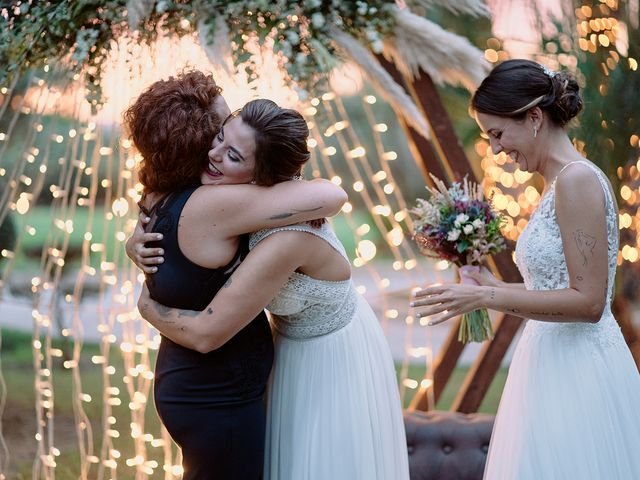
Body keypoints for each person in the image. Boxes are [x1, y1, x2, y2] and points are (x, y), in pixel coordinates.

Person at [132, 102, 410, 480]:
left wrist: (148, 308)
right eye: (219, 137)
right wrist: (136, 237)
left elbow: (207, 333)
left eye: (232, 154)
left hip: (331, 355)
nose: (212, 154)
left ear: (264, 177)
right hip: (287, 348)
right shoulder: (242, 201)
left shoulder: (286, 237)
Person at [411, 59, 640, 479]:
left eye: (498, 134)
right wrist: (491, 284)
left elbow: (589, 302)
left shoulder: (577, 181)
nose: (496, 149)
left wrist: (487, 296)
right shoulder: (556, 184)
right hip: (548, 363)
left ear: (534, 117)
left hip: (579, 374)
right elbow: (552, 287)